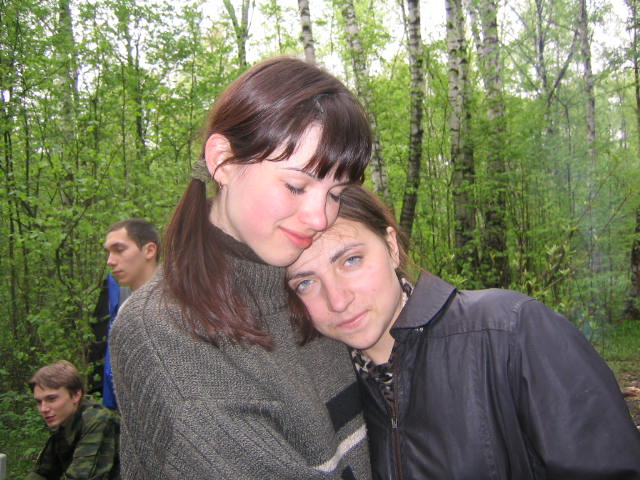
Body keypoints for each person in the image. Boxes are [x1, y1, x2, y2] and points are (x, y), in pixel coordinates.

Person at [109, 56, 373, 479]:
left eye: (336, 193)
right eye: (296, 185)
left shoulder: (313, 286)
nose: (320, 217)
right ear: (224, 161)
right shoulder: (163, 330)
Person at [286, 185, 640, 479]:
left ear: (391, 247)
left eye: (351, 260)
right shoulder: (324, 392)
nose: (337, 300)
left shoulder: (510, 331)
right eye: (306, 283)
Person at [97, 218, 160, 409]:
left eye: (119, 250)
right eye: (108, 252)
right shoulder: (125, 305)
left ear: (149, 250)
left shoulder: (173, 304)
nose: (110, 261)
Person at [27, 360, 120, 480]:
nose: (43, 408)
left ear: (76, 395)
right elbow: (42, 472)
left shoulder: (97, 419)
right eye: (39, 402)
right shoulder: (64, 422)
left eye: (51, 399)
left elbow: (80, 477)